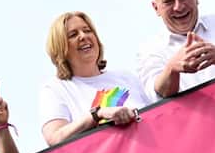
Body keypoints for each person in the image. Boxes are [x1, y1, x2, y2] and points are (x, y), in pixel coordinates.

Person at [40, 11, 151, 146]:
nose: (83, 36)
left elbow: (153, 116)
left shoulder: (126, 77)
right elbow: (54, 138)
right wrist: (97, 115)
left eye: (87, 31)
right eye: (73, 35)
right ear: (61, 48)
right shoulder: (55, 89)